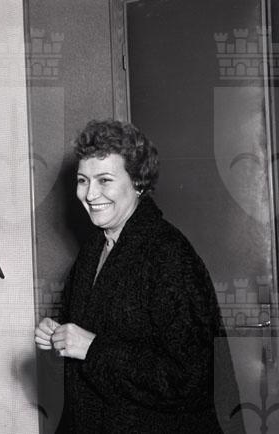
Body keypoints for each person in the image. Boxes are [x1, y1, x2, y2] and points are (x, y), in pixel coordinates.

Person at [34, 120, 240, 433]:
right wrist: (56, 337)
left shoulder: (169, 255)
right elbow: (82, 348)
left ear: (138, 183)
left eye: (104, 180)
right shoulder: (93, 250)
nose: (90, 194)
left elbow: (191, 378)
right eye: (82, 180)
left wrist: (93, 348)